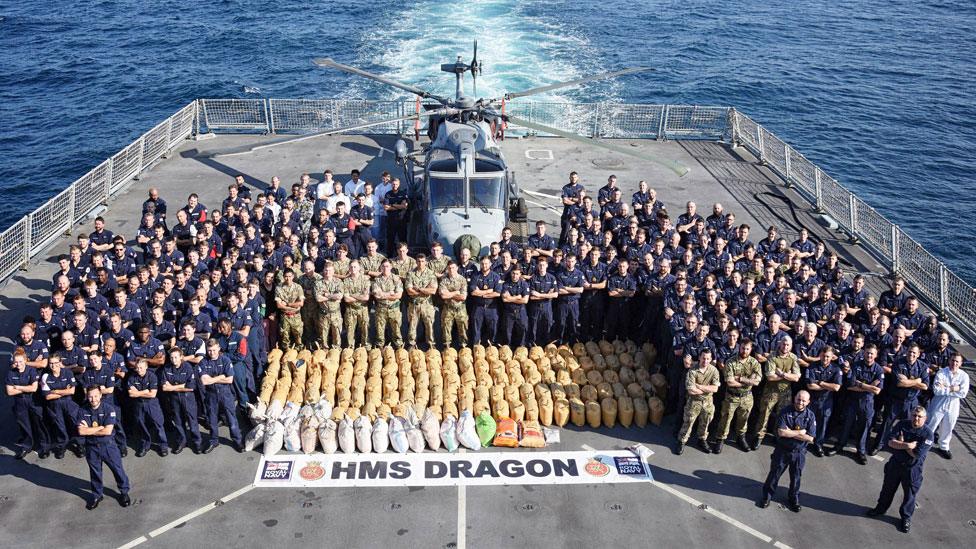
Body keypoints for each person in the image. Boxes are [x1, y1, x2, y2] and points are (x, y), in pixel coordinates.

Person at [865, 406, 935, 533]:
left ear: (925, 419)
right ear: (910, 416)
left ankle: (906, 518)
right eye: (914, 415)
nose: (916, 419)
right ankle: (880, 508)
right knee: (887, 489)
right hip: (895, 464)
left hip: (912, 469)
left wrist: (900, 445)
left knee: (909, 495)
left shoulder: (928, 434)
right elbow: (890, 443)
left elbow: (917, 454)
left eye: (920, 417)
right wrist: (908, 445)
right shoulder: (902, 424)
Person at [758, 391, 816, 513]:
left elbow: (810, 438)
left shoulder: (810, 416)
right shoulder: (785, 412)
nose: (800, 402)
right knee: (774, 475)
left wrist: (791, 433)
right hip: (782, 450)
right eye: (799, 399)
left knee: (796, 477)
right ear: (794, 398)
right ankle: (766, 497)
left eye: (803, 400)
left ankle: (793, 498)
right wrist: (800, 432)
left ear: (808, 402)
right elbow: (781, 432)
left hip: (799, 453)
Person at [77, 385, 131, 510]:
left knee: (117, 470)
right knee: (95, 472)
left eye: (96, 396)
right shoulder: (82, 410)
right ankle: (97, 494)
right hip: (91, 447)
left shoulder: (108, 409)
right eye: (90, 396)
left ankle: (124, 492)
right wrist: (99, 428)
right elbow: (81, 432)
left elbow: (107, 431)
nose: (93, 399)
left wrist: (89, 429)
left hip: (108, 446)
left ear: (101, 395)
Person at [828, 344, 884, 463]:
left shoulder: (879, 370)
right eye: (867, 353)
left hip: (867, 402)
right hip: (852, 400)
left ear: (876, 355)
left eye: (871, 353)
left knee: (864, 428)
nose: (869, 355)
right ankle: (839, 446)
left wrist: (859, 384)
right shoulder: (856, 365)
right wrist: (869, 386)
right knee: (846, 424)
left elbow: (877, 390)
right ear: (864, 353)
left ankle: (861, 451)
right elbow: (849, 385)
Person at [750, 336, 801, 450]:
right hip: (771, 391)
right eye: (784, 344)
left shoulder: (793, 358)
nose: (785, 347)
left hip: (785, 392)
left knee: (782, 416)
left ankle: (778, 435)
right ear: (780, 344)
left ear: (791, 346)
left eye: (788, 345)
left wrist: (782, 374)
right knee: (764, 415)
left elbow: (797, 377)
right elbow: (770, 376)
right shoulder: (772, 356)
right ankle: (759, 436)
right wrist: (788, 375)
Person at [712, 339, 762, 453]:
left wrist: (740, 379)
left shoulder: (754, 363)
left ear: (751, 349)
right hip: (731, 397)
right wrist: (749, 380)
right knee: (725, 419)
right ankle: (720, 439)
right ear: (739, 348)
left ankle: (741, 438)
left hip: (747, 397)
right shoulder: (730, 362)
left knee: (743, 420)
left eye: (747, 349)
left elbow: (757, 382)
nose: (745, 351)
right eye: (743, 348)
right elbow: (729, 381)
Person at [198, 339, 243, 452]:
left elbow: (229, 380)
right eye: (209, 350)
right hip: (211, 395)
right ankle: (214, 441)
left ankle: (237, 441)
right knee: (212, 419)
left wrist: (212, 379)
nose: (212, 353)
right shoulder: (203, 362)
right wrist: (221, 376)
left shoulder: (225, 360)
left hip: (225, 394)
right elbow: (204, 381)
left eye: (214, 350)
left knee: (231, 419)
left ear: (218, 348)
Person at [675, 350, 720, 455]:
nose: (705, 361)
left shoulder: (714, 371)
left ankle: (702, 440)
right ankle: (682, 441)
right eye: (703, 358)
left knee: (706, 422)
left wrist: (699, 386)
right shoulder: (692, 370)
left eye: (708, 358)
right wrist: (707, 389)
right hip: (693, 402)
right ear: (699, 357)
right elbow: (690, 389)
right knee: (688, 422)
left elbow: (715, 389)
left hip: (708, 402)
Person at [926, 353, 969, 459]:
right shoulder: (941, 372)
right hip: (939, 402)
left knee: (948, 426)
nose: (954, 363)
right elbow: (936, 390)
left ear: (960, 363)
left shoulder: (964, 376)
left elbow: (963, 393)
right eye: (953, 360)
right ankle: (925, 443)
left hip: (953, 404)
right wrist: (954, 388)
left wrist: (945, 387)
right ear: (949, 361)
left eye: (957, 361)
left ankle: (943, 446)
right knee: (931, 423)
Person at [6, 349, 47, 459]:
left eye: (20, 361)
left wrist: (18, 387)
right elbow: (10, 391)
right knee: (24, 425)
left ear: (25, 360)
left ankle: (43, 447)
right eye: (16, 362)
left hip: (33, 400)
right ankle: (26, 446)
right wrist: (26, 388)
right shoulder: (11, 373)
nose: (18, 364)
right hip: (19, 401)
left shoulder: (31, 370)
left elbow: (34, 388)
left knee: (38, 423)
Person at [161, 348, 203, 454]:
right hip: (174, 398)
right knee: (178, 421)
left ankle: (197, 443)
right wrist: (180, 386)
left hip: (187, 397)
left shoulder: (188, 367)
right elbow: (165, 388)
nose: (173, 360)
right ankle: (182, 441)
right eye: (171, 357)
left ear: (181, 357)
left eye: (176, 357)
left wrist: (173, 387)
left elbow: (191, 387)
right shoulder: (167, 368)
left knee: (192, 421)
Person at [803, 346, 842, 456]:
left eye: (828, 357)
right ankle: (804, 443)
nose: (825, 358)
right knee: (808, 422)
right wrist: (828, 386)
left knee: (823, 424)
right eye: (823, 356)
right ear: (820, 355)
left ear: (832, 357)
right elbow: (810, 385)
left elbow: (836, 388)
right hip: (812, 399)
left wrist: (820, 383)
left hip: (826, 401)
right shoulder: (812, 366)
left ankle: (818, 444)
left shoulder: (836, 369)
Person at [126, 359, 169, 457]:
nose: (139, 370)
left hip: (151, 404)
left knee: (158, 424)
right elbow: (131, 394)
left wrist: (139, 393)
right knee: (141, 425)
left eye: (141, 367)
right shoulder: (132, 377)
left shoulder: (152, 376)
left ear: (146, 367)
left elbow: (152, 394)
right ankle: (145, 445)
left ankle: (163, 445)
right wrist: (145, 391)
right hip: (138, 404)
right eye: (137, 368)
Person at [404, 254, 438, 349]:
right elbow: (409, 291)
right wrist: (425, 290)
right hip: (414, 304)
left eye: (423, 261)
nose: (420, 263)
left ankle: (431, 343)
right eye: (419, 261)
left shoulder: (431, 274)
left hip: (427, 304)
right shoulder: (411, 274)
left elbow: (433, 290)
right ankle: (411, 343)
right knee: (412, 324)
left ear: (426, 262)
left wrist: (418, 289)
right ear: (416, 262)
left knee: (429, 324)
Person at [372, 260, 404, 348]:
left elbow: (399, 295)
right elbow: (377, 296)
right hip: (381, 309)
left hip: (394, 309)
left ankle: (399, 347)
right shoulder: (377, 280)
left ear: (390, 267)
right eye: (383, 266)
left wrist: (383, 294)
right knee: (380, 331)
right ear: (380, 268)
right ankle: (380, 348)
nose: (385, 268)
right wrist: (391, 293)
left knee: (397, 330)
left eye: (387, 266)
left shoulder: (396, 279)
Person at [438, 261, 469, 349]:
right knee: (446, 328)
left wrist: (449, 294)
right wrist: (456, 292)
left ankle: (463, 347)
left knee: (463, 328)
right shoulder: (444, 280)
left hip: (460, 308)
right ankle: (447, 346)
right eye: (449, 268)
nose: (451, 270)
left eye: (453, 268)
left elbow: (463, 297)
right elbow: (443, 296)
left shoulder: (462, 279)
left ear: (457, 268)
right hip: (448, 308)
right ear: (447, 269)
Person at [342, 260, 371, 348]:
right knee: (350, 330)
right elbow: (346, 299)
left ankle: (365, 346)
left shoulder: (365, 280)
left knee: (365, 329)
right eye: (351, 267)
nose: (353, 269)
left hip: (363, 309)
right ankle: (350, 347)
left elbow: (366, 297)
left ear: (359, 268)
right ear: (349, 268)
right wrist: (359, 297)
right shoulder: (346, 281)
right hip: (350, 309)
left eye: (355, 267)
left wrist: (352, 295)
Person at [274, 269, 304, 349]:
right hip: (285, 317)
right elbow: (279, 305)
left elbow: (301, 303)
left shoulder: (298, 287)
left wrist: (287, 304)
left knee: (298, 337)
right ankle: (286, 355)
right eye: (286, 276)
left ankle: (300, 353)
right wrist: (294, 306)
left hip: (296, 316)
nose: (288, 278)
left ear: (293, 276)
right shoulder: (278, 288)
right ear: (283, 277)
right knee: (285, 338)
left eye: (290, 276)